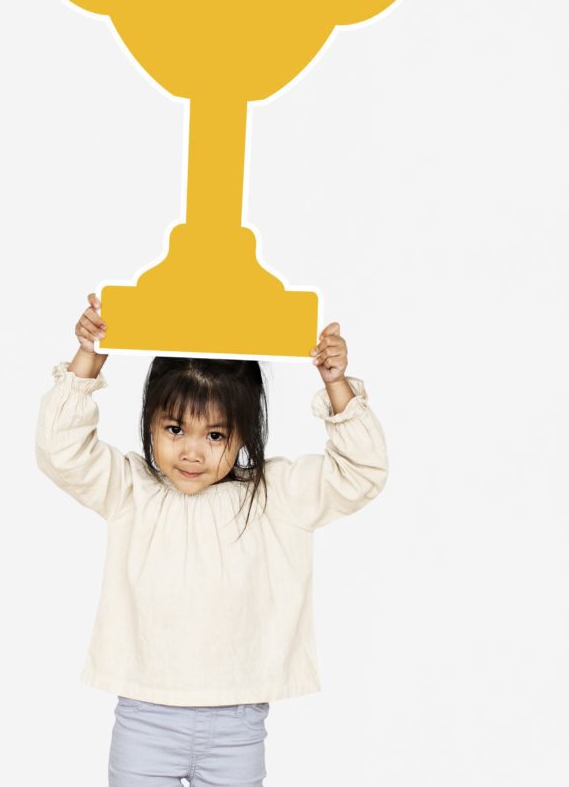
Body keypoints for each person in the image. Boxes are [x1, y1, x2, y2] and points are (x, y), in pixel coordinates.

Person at [36, 291, 389, 787]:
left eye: (216, 436)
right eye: (175, 428)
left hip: (237, 726)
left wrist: (336, 386)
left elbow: (361, 473)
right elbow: (61, 450)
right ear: (150, 424)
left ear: (244, 435)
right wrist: (89, 358)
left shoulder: (274, 495)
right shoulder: (131, 489)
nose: (192, 452)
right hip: (146, 719)